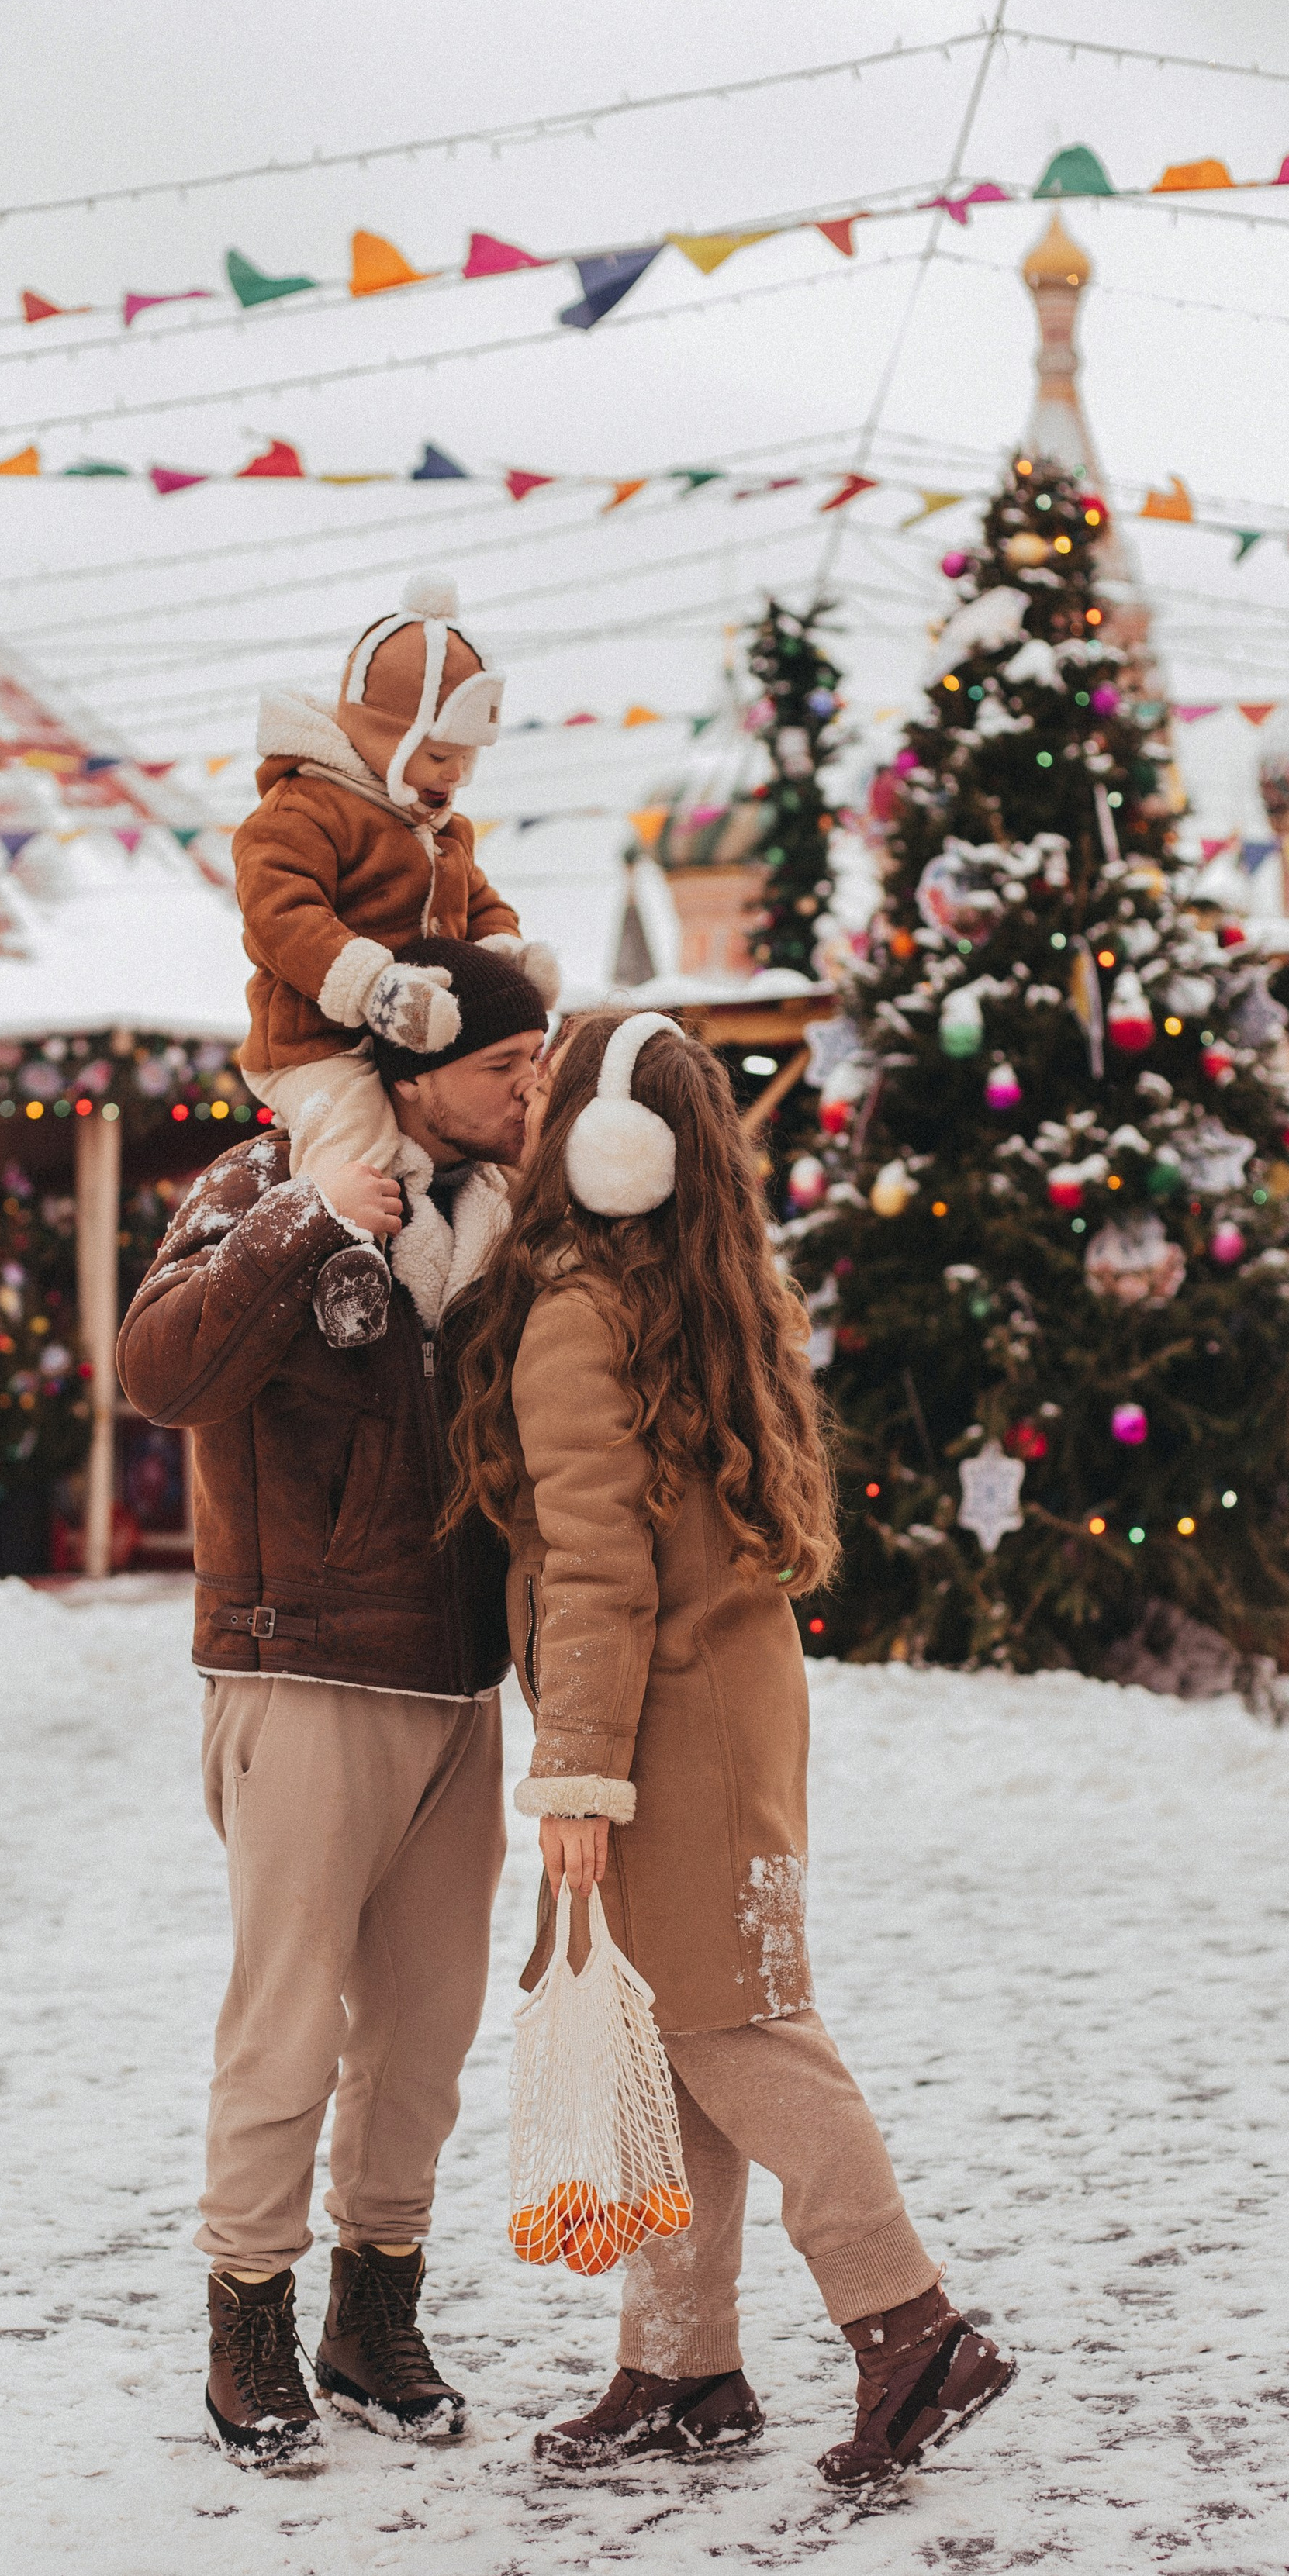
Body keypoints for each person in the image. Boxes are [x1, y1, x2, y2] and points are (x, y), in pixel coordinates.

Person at [445, 1009, 1018, 2488]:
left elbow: (596, 1566)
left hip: (661, 1723)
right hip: (725, 1702)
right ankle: (682, 2363)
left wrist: (574, 1772)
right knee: (674, 2033)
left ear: (603, 1146)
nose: (522, 1114)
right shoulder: (699, 1286)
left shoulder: (580, 1308)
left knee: (737, 2030)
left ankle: (912, 2327)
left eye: (547, 1096)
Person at [116, 938, 551, 2473]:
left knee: (425, 2025)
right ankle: (247, 2322)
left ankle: (373, 2316)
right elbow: (157, 1373)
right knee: (287, 2017)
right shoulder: (264, 1179)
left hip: (455, 1678)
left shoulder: (505, 1218)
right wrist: (307, 1218)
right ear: (417, 1066)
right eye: (507, 1062)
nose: (529, 1086)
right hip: (299, 1663)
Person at [232, 568, 558, 1348]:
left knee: (475, 1172)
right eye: (437, 754)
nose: (452, 775)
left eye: (464, 759)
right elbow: (281, 914)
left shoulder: (444, 833)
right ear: (381, 736)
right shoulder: (304, 811)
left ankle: (473, 1290)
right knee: (359, 1149)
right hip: (319, 1041)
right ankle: (342, 1266)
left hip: (416, 1043)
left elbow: (480, 902)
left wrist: (505, 955)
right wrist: (372, 986)